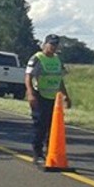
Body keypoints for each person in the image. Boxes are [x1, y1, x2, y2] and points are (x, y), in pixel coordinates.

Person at [24, 33, 71, 167]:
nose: (53, 47)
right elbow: (28, 76)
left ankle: (51, 152)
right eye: (51, 44)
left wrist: (65, 95)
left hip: (54, 99)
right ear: (45, 44)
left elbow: (59, 79)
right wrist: (30, 93)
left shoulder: (57, 60)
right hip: (40, 96)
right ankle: (37, 153)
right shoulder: (37, 58)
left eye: (56, 45)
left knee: (53, 127)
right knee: (40, 126)